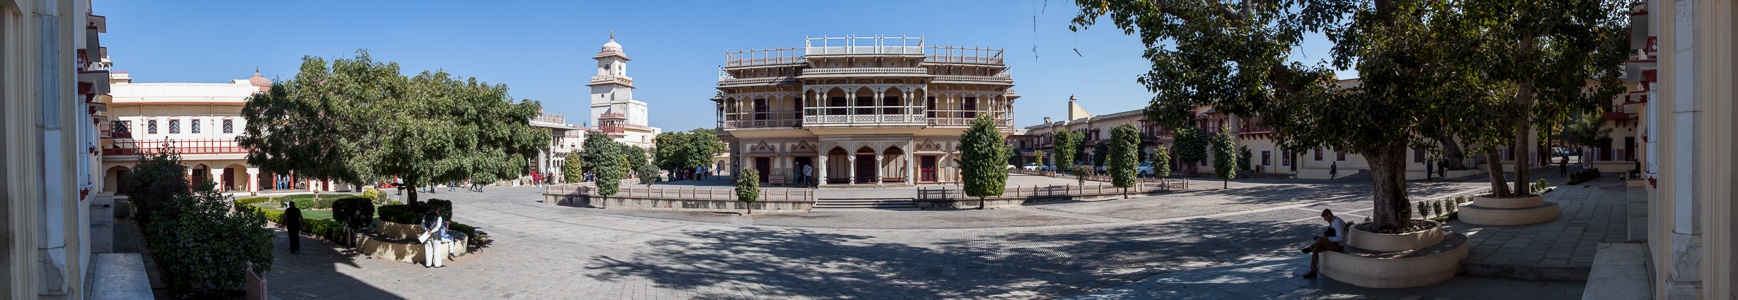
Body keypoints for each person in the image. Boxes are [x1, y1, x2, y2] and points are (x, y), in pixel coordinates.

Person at [1300, 209, 1346, 278]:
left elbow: (1340, 238)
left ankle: (1310, 248)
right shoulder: (1332, 222)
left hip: (1338, 244)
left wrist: (1328, 239)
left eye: (1325, 218)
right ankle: (1313, 271)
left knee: (1321, 240)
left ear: (1329, 215)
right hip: (1331, 242)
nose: (1325, 220)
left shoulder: (1338, 222)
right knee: (1315, 250)